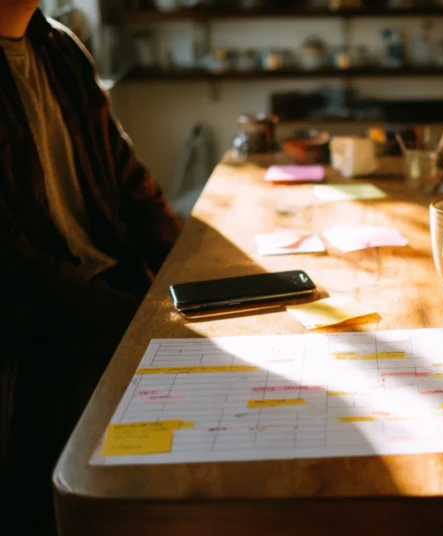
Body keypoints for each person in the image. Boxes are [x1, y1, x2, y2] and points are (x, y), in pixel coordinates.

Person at [0, 2, 182, 533]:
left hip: (115, 298)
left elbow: (133, 186)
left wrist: (186, 284)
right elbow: (12, 272)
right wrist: (134, 324)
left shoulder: (59, 48)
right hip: (38, 336)